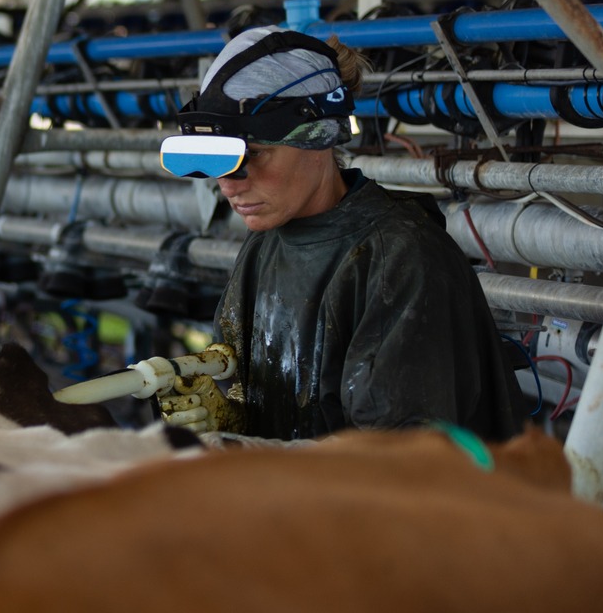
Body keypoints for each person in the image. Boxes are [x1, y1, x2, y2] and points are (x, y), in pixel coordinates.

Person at [155, 25, 525, 441]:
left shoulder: (398, 257)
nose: (228, 184)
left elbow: (395, 459)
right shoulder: (265, 243)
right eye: (219, 163)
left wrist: (241, 453)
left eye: (252, 154)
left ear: (319, 137)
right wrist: (231, 419)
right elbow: (251, 385)